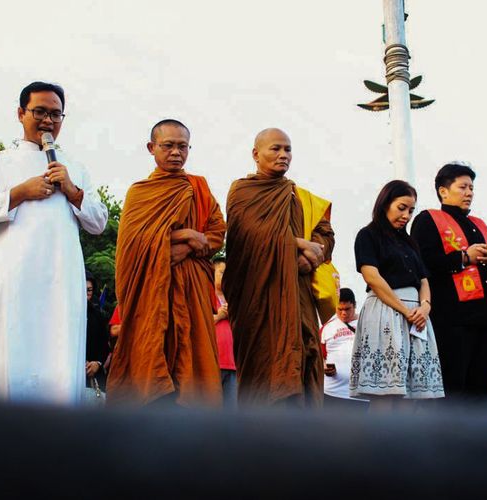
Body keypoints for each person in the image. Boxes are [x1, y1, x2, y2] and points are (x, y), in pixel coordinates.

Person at [0, 81, 108, 404]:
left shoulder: (75, 168)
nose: (48, 121)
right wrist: (18, 193)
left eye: (56, 114)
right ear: (20, 113)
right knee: (10, 355)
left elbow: (99, 222)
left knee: (58, 354)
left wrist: (72, 190)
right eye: (39, 112)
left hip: (61, 280)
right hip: (13, 276)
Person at [107, 119, 225, 407]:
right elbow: (131, 246)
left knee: (194, 362)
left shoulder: (199, 187)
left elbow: (216, 233)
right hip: (152, 290)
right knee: (152, 354)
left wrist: (185, 245)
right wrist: (186, 235)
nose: (176, 152)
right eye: (168, 145)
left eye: (182, 146)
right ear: (152, 148)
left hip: (192, 288)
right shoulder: (140, 193)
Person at [223, 128, 335, 408]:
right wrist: (296, 244)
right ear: (255, 154)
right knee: (264, 367)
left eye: (288, 149)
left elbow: (325, 235)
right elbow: (245, 236)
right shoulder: (242, 191)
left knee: (304, 358)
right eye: (275, 149)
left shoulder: (301, 196)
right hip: (258, 300)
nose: (283, 155)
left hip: (298, 297)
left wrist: (312, 256)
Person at [410, 163, 487, 403]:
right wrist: (463, 257)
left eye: (472, 187)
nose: (469, 192)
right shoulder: (428, 219)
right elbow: (422, 264)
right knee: (453, 390)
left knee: (483, 392)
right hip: (453, 320)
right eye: (462, 187)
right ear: (443, 191)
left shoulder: (479, 224)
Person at [350, 180, 444, 411]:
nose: (406, 215)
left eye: (411, 210)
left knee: (411, 392)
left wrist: (425, 308)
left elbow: (423, 280)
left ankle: (404, 444)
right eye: (402, 207)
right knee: (385, 391)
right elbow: (372, 277)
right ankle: (378, 445)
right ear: (385, 204)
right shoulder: (368, 235)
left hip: (416, 316)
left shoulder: (409, 242)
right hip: (386, 311)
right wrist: (405, 310)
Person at [321, 288, 367, 410]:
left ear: (355, 305)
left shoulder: (367, 322)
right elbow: (320, 356)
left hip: (362, 393)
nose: (343, 313)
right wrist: (324, 366)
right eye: (339, 309)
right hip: (333, 393)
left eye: (347, 309)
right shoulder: (327, 327)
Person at [212, 257, 237, 409]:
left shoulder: (234, 300)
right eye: (221, 272)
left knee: (231, 412)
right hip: (213, 364)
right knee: (212, 411)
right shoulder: (205, 297)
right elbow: (197, 324)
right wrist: (219, 316)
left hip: (233, 365)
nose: (225, 276)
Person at [85, 272, 109, 394]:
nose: (85, 294)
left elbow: (104, 345)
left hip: (93, 377)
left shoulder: (97, 315)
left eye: (89, 290)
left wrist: (97, 363)